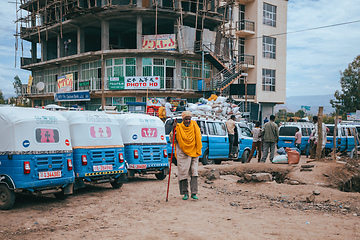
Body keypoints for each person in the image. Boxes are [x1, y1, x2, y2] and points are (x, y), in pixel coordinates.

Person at [171, 111, 202, 200]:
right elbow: (172, 139)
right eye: (186, 119)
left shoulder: (195, 127)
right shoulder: (178, 128)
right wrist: (173, 130)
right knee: (183, 173)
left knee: (194, 171)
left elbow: (199, 138)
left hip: (194, 153)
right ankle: (185, 193)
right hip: (183, 154)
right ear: (183, 120)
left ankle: (194, 193)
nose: (188, 121)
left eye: (189, 119)